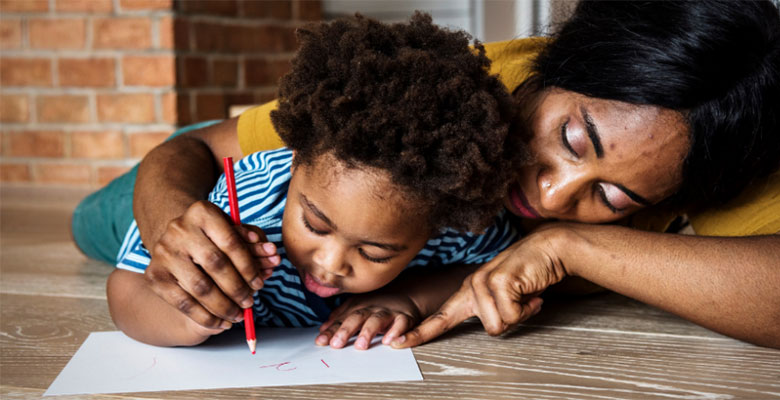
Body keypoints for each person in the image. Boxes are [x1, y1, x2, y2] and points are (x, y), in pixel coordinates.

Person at [74, 1, 780, 350]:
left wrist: (567, 248)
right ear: (552, 65)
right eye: (569, 137)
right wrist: (168, 213)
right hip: (211, 184)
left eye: (612, 197)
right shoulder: (457, 89)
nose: (547, 196)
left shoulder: (716, 146)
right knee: (93, 222)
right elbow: (205, 147)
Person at [103, 13, 528, 347]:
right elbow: (124, 287)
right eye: (315, 225)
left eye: (375, 253)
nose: (330, 263)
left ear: (436, 227)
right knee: (93, 222)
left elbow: (495, 264)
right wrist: (185, 315)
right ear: (293, 165)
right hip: (162, 183)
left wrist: (412, 298)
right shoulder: (245, 205)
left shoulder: (448, 220)